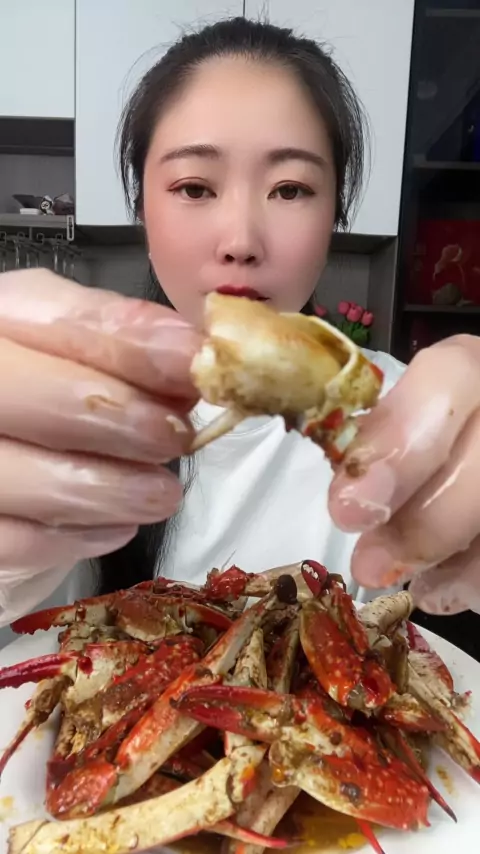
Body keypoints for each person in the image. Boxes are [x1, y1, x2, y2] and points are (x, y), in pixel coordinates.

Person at [0, 17, 479, 643]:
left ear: (335, 212)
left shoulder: (405, 418)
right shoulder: (59, 402)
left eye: (290, 189)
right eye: (195, 187)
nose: (241, 240)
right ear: (142, 206)